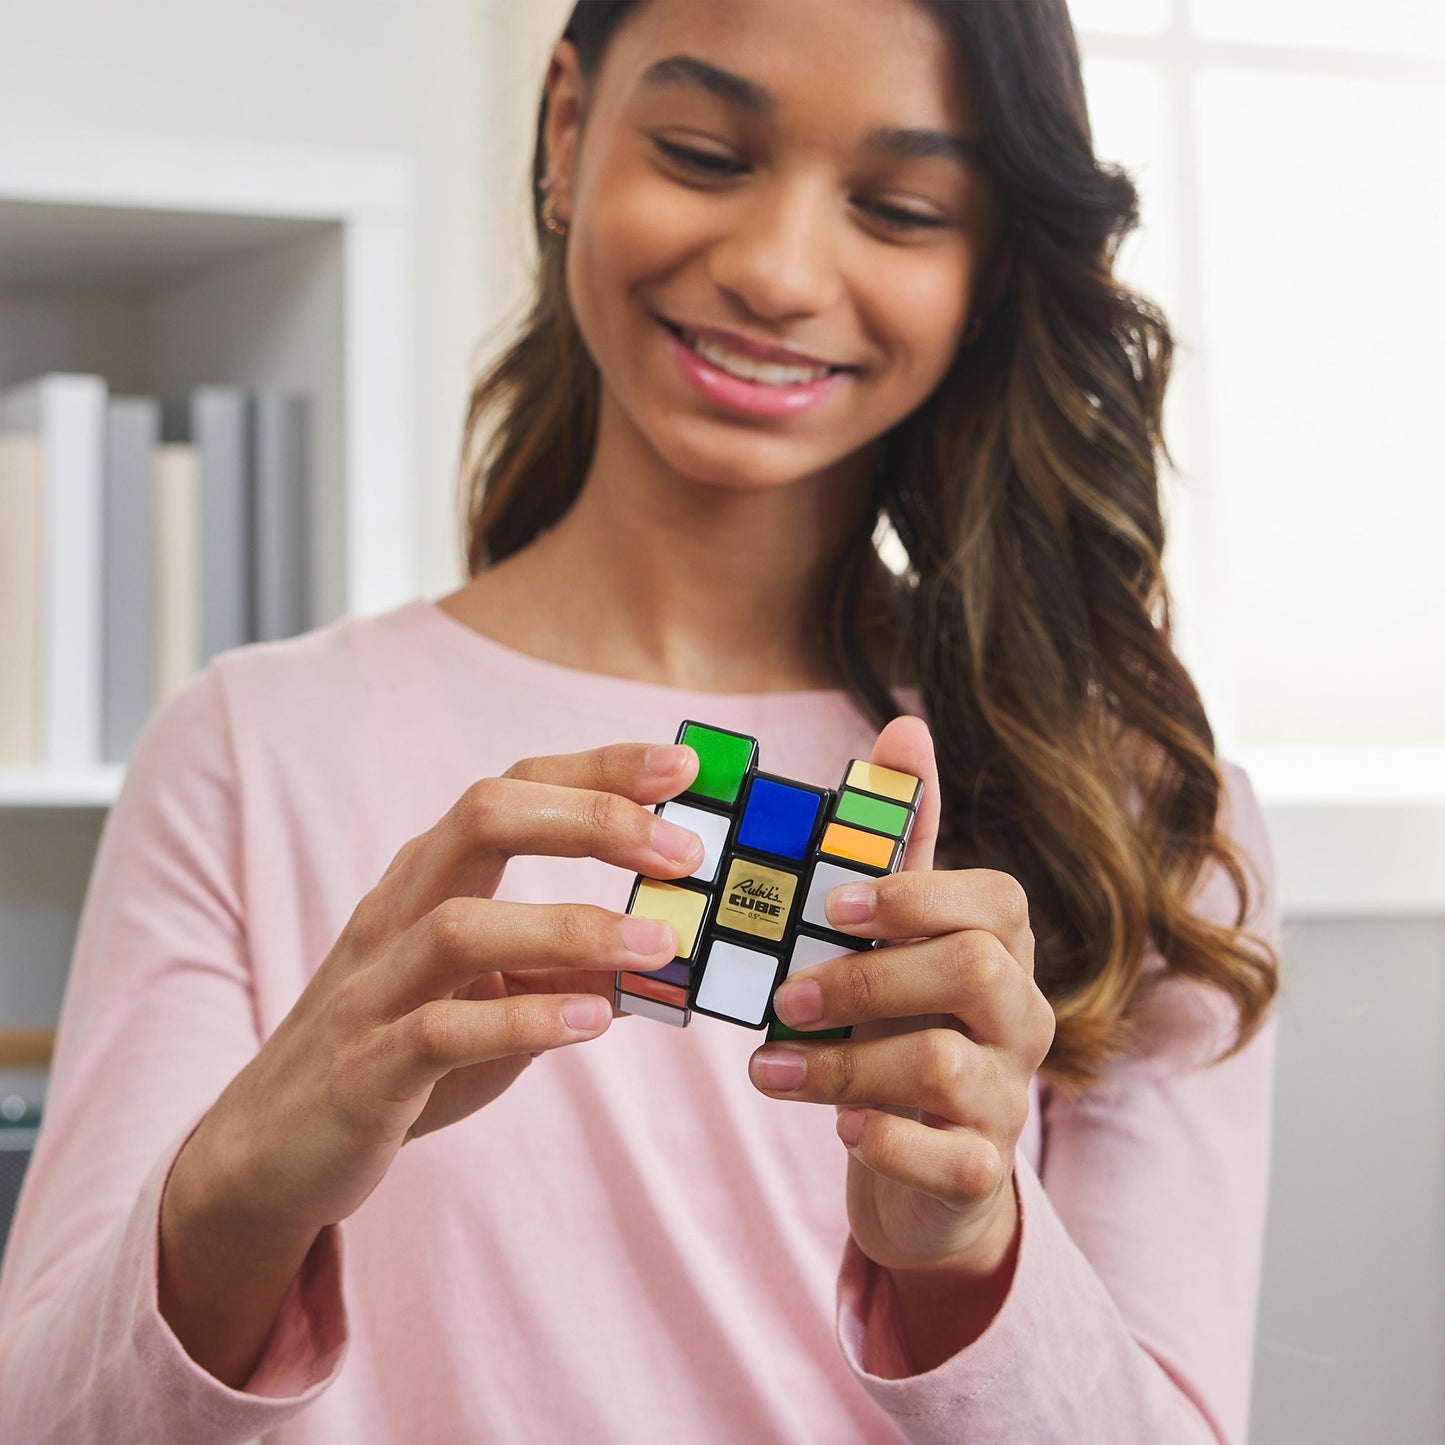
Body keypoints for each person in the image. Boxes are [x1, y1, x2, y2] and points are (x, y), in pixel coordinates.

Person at [0, 1, 1281, 1440]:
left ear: (989, 261)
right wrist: (246, 1178)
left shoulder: (1138, 811)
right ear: (566, 130)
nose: (777, 272)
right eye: (702, 151)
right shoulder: (246, 749)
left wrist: (966, 1260)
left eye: (899, 206)